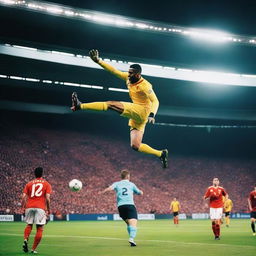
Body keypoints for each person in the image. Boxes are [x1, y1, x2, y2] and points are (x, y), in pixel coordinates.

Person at [71, 49, 168, 168]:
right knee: (135, 146)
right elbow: (114, 71)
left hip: (143, 111)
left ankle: (80, 105)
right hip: (138, 115)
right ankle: (161, 153)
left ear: (138, 74)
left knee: (111, 104)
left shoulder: (145, 86)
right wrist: (98, 61)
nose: (128, 74)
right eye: (128, 72)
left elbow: (156, 100)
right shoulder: (128, 79)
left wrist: (152, 114)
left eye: (131, 73)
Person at [100, 169, 143, 246]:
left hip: (121, 207)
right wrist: (141, 192)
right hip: (130, 205)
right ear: (128, 176)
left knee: (129, 224)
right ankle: (131, 238)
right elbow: (139, 192)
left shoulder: (116, 183)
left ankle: (132, 239)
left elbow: (110, 188)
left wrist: (102, 192)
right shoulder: (131, 184)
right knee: (133, 224)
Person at [21, 167, 52, 254]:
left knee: (29, 225)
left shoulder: (29, 183)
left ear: (34, 174)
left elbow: (23, 197)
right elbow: (48, 198)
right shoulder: (46, 184)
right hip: (40, 207)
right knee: (40, 228)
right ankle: (33, 249)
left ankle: (25, 239)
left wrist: (22, 208)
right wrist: (48, 210)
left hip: (29, 207)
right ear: (42, 174)